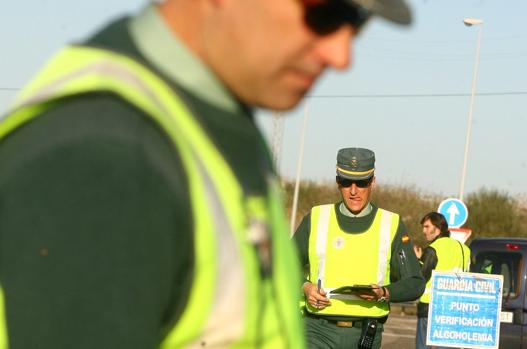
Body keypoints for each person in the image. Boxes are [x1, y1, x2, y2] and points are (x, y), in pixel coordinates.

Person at [0, 0, 413, 347]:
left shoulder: (212, 129)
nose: (341, 56)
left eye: (355, 26)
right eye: (322, 15)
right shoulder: (107, 161)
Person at [293, 147, 425, 349]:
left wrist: (383, 292)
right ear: (338, 182)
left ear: (372, 182)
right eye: (346, 182)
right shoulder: (316, 218)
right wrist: (305, 287)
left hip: (366, 335)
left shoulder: (391, 224)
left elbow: (415, 283)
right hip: (317, 332)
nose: (353, 191)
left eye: (361, 183)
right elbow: (282, 266)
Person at [414, 212, 471, 349]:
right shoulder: (465, 249)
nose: (423, 231)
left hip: (430, 308)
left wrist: (417, 260)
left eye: (427, 227)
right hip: (454, 309)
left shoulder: (433, 249)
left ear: (438, 228)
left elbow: (420, 278)